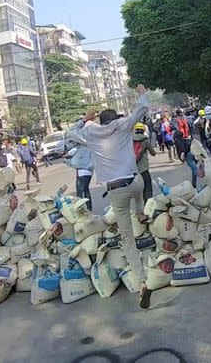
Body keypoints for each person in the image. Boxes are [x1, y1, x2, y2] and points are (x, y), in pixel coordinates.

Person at [69, 85, 152, 308]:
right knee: (139, 187)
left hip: (116, 190)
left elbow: (72, 133)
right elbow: (142, 107)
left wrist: (85, 118)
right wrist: (141, 91)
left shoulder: (90, 134)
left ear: (99, 121)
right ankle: (142, 212)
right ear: (114, 118)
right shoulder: (123, 126)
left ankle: (142, 283)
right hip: (136, 183)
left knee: (127, 239)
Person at [65, 123, 94, 210]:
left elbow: (74, 162)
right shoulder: (89, 147)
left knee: (80, 192)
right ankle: (89, 208)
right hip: (89, 173)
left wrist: (66, 161)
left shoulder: (77, 149)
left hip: (81, 173)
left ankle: (83, 209)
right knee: (86, 190)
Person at [133, 123, 157, 202]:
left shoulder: (130, 140)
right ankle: (148, 204)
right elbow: (153, 153)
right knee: (147, 186)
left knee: (136, 189)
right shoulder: (145, 140)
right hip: (144, 169)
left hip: (133, 170)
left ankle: (139, 208)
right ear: (143, 131)